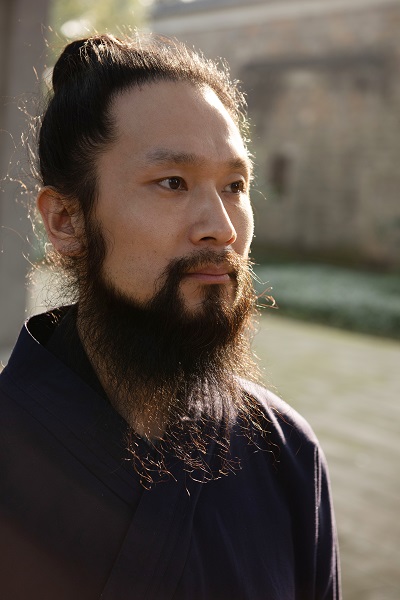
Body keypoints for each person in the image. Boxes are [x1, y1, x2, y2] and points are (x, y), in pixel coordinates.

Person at [0, 34, 341, 599]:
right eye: (173, 183)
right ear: (66, 221)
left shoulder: (285, 455)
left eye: (235, 186)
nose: (222, 228)